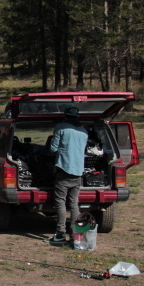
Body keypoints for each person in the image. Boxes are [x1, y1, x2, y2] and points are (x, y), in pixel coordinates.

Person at [48, 105, 88, 244]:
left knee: (60, 202)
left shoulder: (61, 128)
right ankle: (76, 234)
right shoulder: (84, 131)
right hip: (78, 171)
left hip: (64, 169)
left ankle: (60, 233)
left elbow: (53, 148)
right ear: (78, 117)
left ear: (65, 116)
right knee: (74, 203)